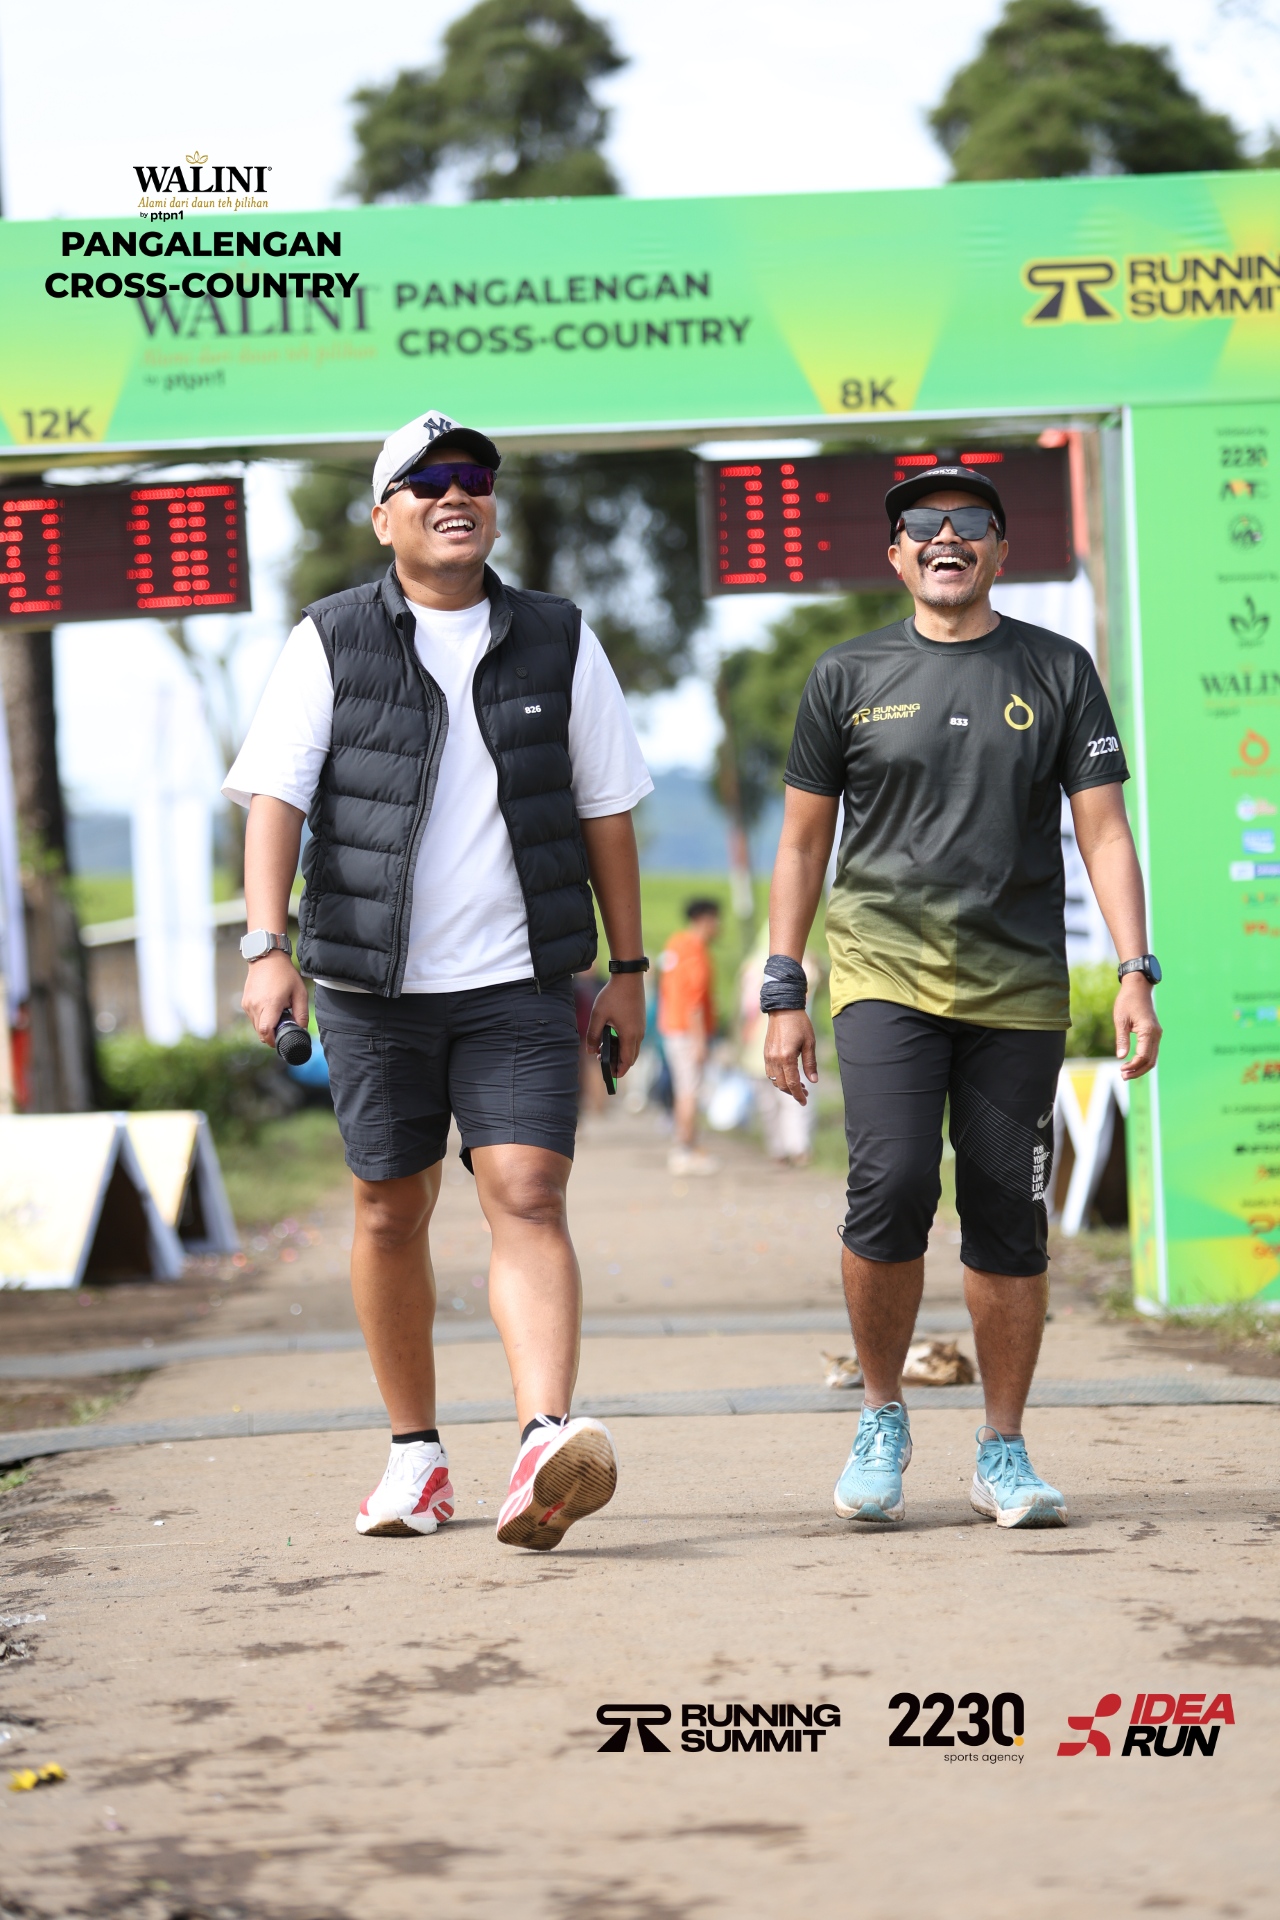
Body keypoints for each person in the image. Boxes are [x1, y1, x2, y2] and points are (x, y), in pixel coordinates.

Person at [225, 409, 653, 1552]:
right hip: (370, 986)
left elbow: (607, 810)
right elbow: (277, 800)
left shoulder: (559, 638)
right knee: (388, 1206)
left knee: (528, 1191)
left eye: (473, 477)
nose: (454, 493)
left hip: (520, 980)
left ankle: (541, 1441)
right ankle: (414, 1455)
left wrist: (627, 971)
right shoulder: (329, 639)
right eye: (424, 483)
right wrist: (266, 948)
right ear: (383, 519)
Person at [763, 461, 1161, 1531]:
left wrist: (1134, 969)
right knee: (890, 1188)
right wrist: (782, 985)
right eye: (923, 523)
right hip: (882, 977)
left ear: (999, 550)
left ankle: (1001, 1449)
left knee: (1005, 1215)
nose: (947, 536)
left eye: (970, 521)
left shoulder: (1057, 668)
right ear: (895, 556)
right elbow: (801, 844)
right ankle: (881, 1416)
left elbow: (1103, 832)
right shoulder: (845, 675)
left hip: (1015, 991)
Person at [739, 926, 820, 1165]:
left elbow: (744, 1011)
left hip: (764, 1046)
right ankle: (794, 1148)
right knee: (792, 1097)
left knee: (775, 1101)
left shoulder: (752, 968)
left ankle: (786, 1148)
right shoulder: (799, 964)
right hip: (782, 1043)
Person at [657, 897, 721, 1175]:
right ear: (704, 920)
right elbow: (694, 1001)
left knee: (684, 1090)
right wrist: (700, 1041)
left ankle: (686, 1147)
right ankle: (685, 1151)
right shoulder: (695, 950)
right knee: (689, 1093)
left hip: (671, 1027)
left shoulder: (675, 944)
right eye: (716, 920)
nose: (719, 926)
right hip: (688, 1031)